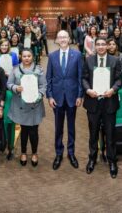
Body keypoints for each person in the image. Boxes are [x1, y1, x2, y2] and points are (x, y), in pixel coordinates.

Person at [82, 37, 122, 179]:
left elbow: (119, 79)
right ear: (95, 46)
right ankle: (92, 159)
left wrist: (113, 89)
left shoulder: (115, 60)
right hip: (93, 102)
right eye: (97, 44)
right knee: (93, 134)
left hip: (109, 102)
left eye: (102, 44)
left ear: (107, 46)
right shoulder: (88, 60)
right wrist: (88, 90)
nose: (100, 47)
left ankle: (112, 161)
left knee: (110, 134)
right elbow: (84, 78)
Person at [46, 30, 83, 170]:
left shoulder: (78, 55)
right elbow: (48, 78)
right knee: (58, 128)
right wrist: (49, 96)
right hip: (57, 98)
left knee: (72, 127)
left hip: (73, 97)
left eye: (65, 37)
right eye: (60, 37)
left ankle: (71, 153)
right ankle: (59, 153)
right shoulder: (52, 56)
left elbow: (80, 77)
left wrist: (80, 95)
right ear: (56, 39)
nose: (62, 39)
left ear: (69, 39)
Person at [7, 48, 46, 167]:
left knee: (34, 131)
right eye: (24, 56)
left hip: (35, 104)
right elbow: (8, 84)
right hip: (21, 104)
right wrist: (15, 88)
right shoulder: (15, 70)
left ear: (32, 56)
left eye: (29, 56)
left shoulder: (39, 70)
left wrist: (38, 96)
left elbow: (43, 85)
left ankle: (34, 153)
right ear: (20, 57)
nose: (27, 58)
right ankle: (23, 153)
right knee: (23, 131)